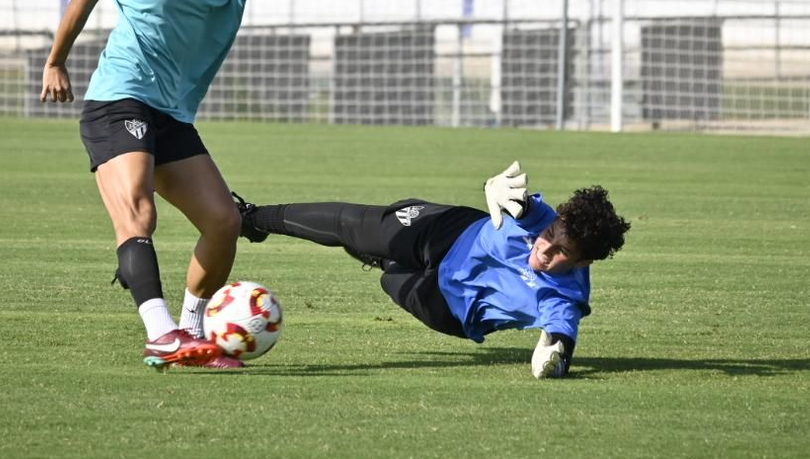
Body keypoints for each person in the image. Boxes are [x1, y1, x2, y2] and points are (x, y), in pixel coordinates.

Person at [41, 0, 287, 370]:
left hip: (172, 111)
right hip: (119, 97)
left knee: (223, 220)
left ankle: (194, 333)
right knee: (139, 211)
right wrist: (56, 60)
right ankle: (160, 332)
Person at [233, 161, 630, 379]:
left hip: (451, 308)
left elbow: (560, 335)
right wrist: (499, 187)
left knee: (391, 274)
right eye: (549, 236)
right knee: (356, 226)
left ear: (583, 262)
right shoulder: (541, 220)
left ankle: (379, 254)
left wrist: (554, 358)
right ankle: (249, 219)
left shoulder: (566, 297)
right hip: (450, 233)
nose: (545, 248)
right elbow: (521, 205)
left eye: (562, 252)